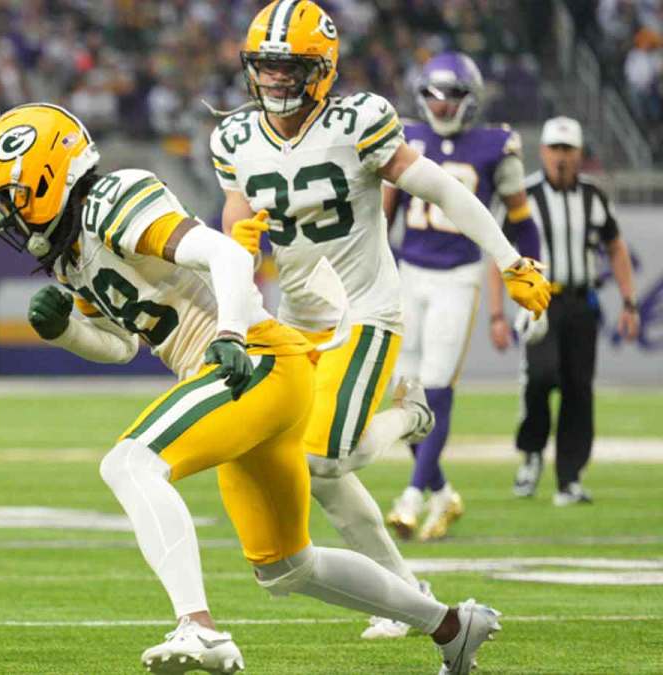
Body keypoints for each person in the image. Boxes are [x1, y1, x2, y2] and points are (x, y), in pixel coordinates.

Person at [0, 101, 504, 675]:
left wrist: (229, 331)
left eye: (10, 198)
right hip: (249, 375)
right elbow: (124, 346)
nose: (6, 217)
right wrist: (68, 332)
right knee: (287, 566)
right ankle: (452, 626)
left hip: (249, 357)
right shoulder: (72, 250)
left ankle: (197, 628)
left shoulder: (114, 199)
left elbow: (226, 253)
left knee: (129, 464)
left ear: (49, 179)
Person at [212, 0, 551, 642]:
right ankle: (405, 595)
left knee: (323, 462)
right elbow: (235, 216)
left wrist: (508, 258)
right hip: (296, 319)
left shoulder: (360, 121)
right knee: (322, 481)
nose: (275, 81)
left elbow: (447, 191)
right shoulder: (234, 136)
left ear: (322, 69)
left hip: (364, 311)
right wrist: (241, 246)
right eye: (266, 67)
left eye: (290, 68)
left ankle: (410, 414)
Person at [382, 51, 543, 544]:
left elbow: (521, 219)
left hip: (459, 275)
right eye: (433, 94)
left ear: (470, 99)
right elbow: (383, 214)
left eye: (451, 95)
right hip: (410, 271)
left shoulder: (496, 144)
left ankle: (411, 494)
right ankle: (443, 491)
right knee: (402, 392)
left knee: (435, 386)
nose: (441, 104)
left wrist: (532, 281)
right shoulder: (406, 135)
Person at [503, 116, 640, 504]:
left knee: (579, 389)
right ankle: (531, 455)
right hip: (540, 302)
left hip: (581, 301)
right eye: (555, 149)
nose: (561, 157)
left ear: (580, 154)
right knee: (540, 377)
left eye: (568, 150)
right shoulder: (524, 194)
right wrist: (498, 312)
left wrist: (629, 301)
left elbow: (615, 245)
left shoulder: (593, 196)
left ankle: (569, 477)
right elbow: (499, 249)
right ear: (543, 151)